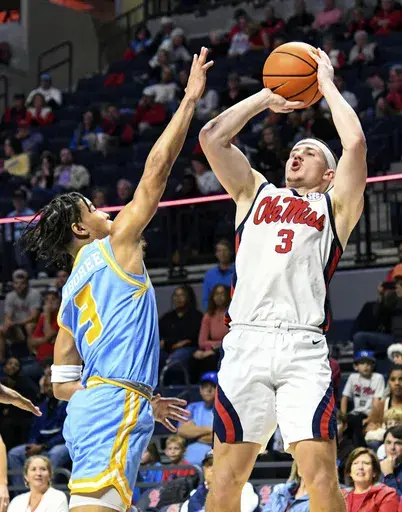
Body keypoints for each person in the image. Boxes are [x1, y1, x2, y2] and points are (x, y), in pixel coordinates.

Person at [20, 47, 213, 512]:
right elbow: (155, 172)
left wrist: (131, 394)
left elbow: (61, 383)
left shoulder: (68, 295)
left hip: (99, 408)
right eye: (91, 208)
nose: (103, 209)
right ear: (80, 228)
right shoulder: (115, 245)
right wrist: (189, 100)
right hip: (112, 406)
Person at [199, 48, 367, 512]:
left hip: (301, 345)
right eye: (294, 151)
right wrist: (266, 98)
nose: (297, 154)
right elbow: (212, 137)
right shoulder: (255, 192)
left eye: (309, 152)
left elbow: (354, 143)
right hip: (246, 341)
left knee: (322, 478)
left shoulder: (336, 206)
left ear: (329, 174)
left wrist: (325, 83)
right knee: (224, 482)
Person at [8, 373, 70, 490]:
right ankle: (22, 493)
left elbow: (65, 433)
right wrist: (32, 444)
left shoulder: (68, 405)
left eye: (50, 385)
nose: (48, 388)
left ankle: (46, 491)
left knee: (55, 454)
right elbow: (34, 430)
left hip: (61, 444)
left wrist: (43, 446)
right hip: (41, 444)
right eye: (46, 386)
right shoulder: (42, 406)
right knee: (14, 454)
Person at [341, 350, 385, 446]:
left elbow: (377, 402)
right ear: (355, 366)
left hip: (368, 414)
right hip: (355, 414)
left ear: (373, 366)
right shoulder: (353, 377)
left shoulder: (378, 378)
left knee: (356, 425)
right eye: (362, 363)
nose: (365, 366)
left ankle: (359, 448)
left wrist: (368, 420)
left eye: (368, 363)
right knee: (347, 423)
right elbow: (345, 397)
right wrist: (342, 418)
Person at [178, 372, 216, 466]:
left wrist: (195, 434)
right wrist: (210, 429)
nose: (208, 390)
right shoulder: (193, 408)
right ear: (200, 390)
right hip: (189, 465)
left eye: (212, 386)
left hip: (212, 465)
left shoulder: (223, 411)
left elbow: (219, 438)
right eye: (205, 386)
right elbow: (182, 430)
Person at [194, 286, 230, 374]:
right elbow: (202, 342)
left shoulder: (232, 314)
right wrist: (213, 347)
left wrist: (214, 349)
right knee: (195, 358)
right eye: (216, 294)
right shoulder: (208, 316)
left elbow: (234, 339)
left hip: (229, 349)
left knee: (213, 358)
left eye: (222, 294)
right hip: (212, 349)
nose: (219, 297)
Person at [202, 240, 234, 310]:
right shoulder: (209, 275)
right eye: (219, 251)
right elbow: (206, 300)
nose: (222, 253)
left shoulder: (237, 272)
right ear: (216, 254)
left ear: (231, 252)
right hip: (215, 313)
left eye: (225, 250)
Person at [379, 426, 402, 496]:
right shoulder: (374, 466)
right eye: (388, 442)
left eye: (398, 443)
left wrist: (389, 476)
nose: (392, 447)